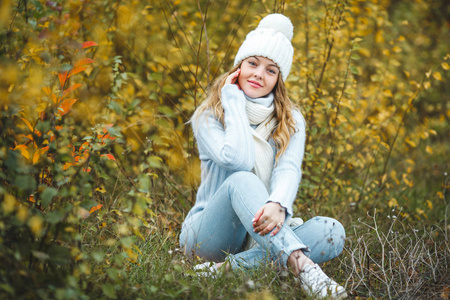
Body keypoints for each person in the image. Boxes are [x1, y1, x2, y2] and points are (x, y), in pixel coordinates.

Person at [180, 14, 347, 299]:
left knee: (332, 231)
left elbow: (289, 170)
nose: (259, 74)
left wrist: (279, 204)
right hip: (207, 234)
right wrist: (232, 101)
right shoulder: (209, 115)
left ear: (279, 79)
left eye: (271, 70)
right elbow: (238, 161)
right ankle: (303, 267)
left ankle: (227, 270)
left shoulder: (291, 119)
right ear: (239, 67)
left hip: (259, 231)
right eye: (253, 63)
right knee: (241, 178)